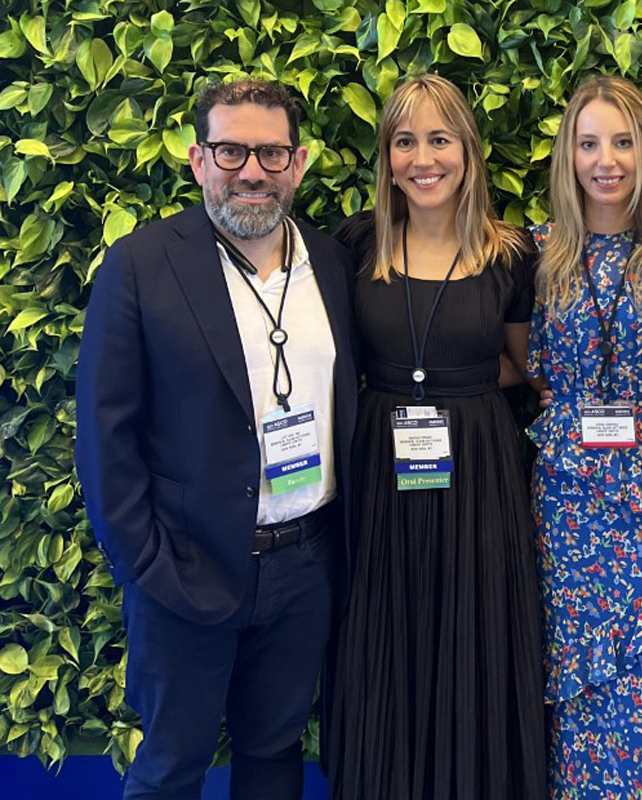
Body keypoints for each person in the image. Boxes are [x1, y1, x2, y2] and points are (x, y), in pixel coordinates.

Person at [75, 80, 357, 800]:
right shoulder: (139, 266)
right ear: (199, 159)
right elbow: (105, 437)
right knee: (172, 765)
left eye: (271, 152)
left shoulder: (332, 263)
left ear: (297, 164)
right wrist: (147, 565)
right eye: (232, 150)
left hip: (305, 565)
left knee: (274, 754)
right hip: (185, 568)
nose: (252, 171)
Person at [323, 75, 546, 800]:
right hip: (381, 473)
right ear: (386, 156)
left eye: (440, 139)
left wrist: (452, 388)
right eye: (405, 140)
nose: (424, 157)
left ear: (468, 151)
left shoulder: (510, 253)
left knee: (474, 637)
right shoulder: (355, 246)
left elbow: (520, 366)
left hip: (480, 470)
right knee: (386, 635)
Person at [527, 74, 642, 800]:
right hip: (568, 496)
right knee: (573, 682)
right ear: (569, 156)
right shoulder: (539, 252)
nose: (607, 159)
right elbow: (522, 364)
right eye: (589, 142)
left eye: (624, 142)